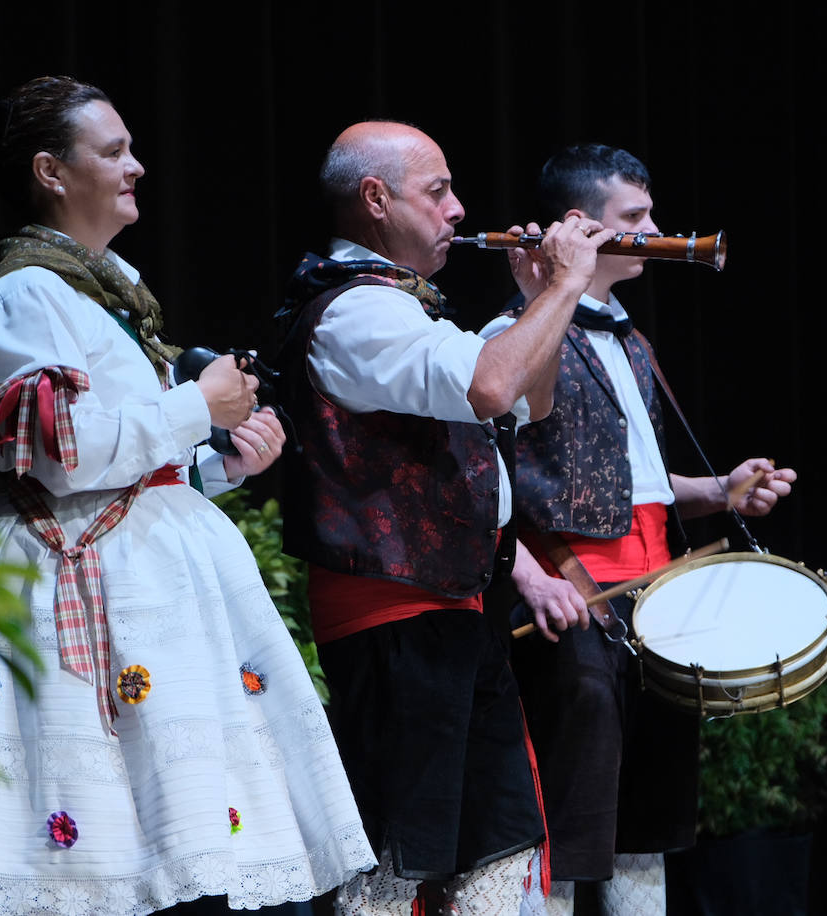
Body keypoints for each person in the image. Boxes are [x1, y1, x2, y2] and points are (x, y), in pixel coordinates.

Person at [0, 76, 375, 915]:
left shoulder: (101, 287)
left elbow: (127, 465)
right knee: (80, 843)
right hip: (67, 572)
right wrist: (201, 403)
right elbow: (60, 453)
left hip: (148, 570)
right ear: (52, 172)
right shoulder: (26, 292)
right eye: (114, 151)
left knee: (176, 836)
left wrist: (220, 463)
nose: (138, 167)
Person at [274, 121, 609, 916]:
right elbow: (492, 387)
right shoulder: (355, 312)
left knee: (493, 850)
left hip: (452, 612)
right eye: (438, 192)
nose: (459, 210)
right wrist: (566, 287)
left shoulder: (404, 307)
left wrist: (538, 301)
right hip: (392, 617)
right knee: (400, 860)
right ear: (376, 199)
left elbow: (532, 398)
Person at [481, 143, 798, 915]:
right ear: (582, 228)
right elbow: (479, 474)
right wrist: (526, 570)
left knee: (645, 826)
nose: (655, 228)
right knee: (566, 820)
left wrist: (721, 490)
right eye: (637, 217)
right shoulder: (514, 332)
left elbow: (640, 486)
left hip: (655, 605)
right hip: (572, 600)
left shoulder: (631, 340)